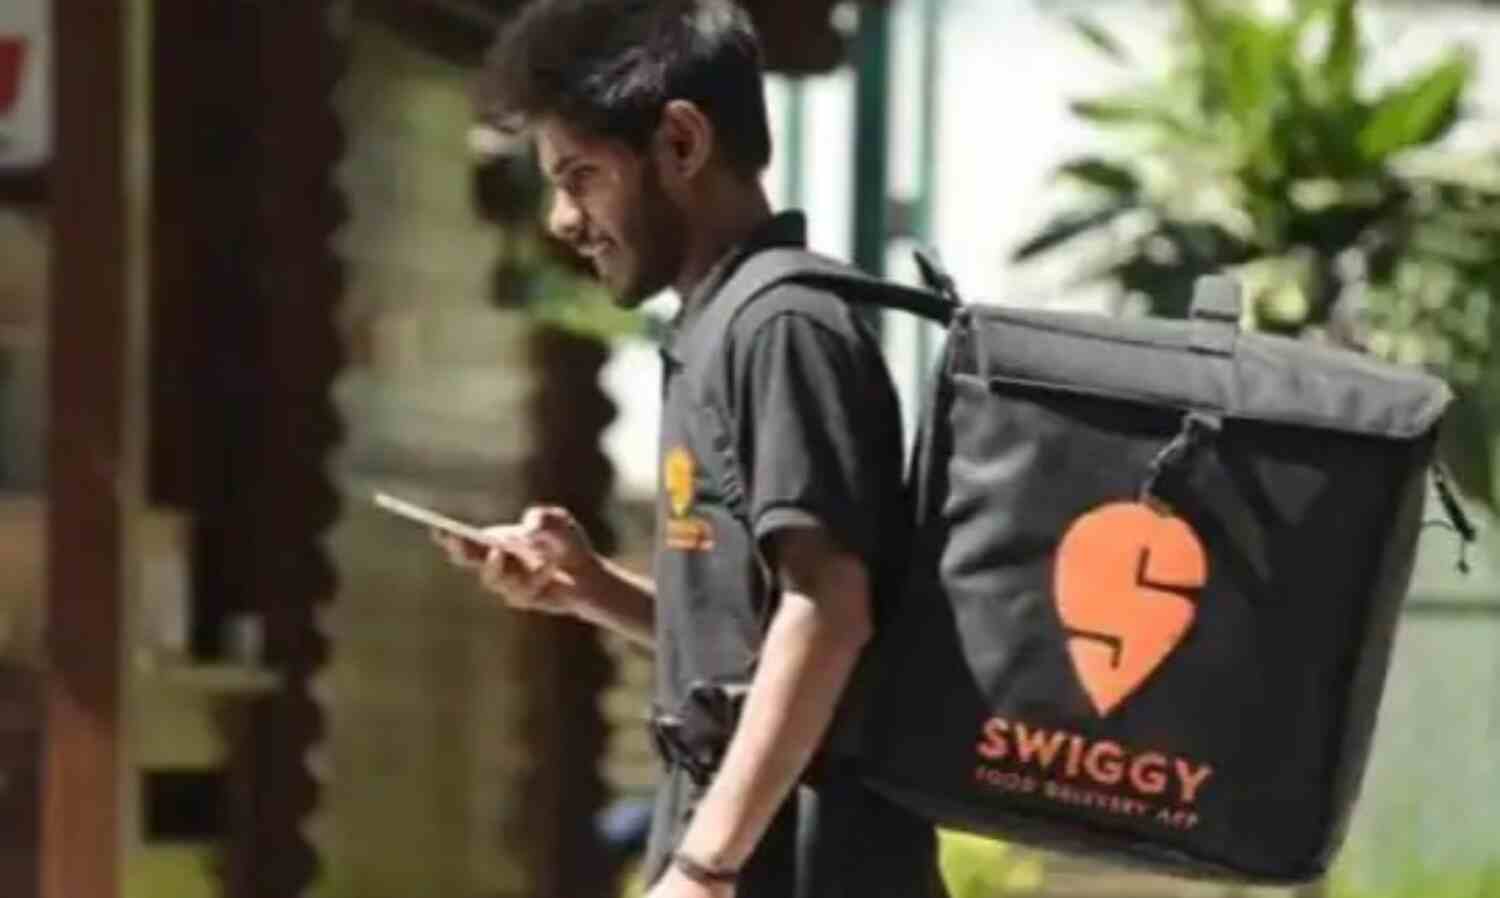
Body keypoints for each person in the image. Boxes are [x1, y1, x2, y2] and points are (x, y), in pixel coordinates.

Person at [438, 2, 947, 896]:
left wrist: (705, 868)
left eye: (581, 176)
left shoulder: (783, 325)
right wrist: (590, 588)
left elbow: (828, 612)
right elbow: (752, 641)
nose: (562, 218)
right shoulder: (719, 326)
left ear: (680, 144)